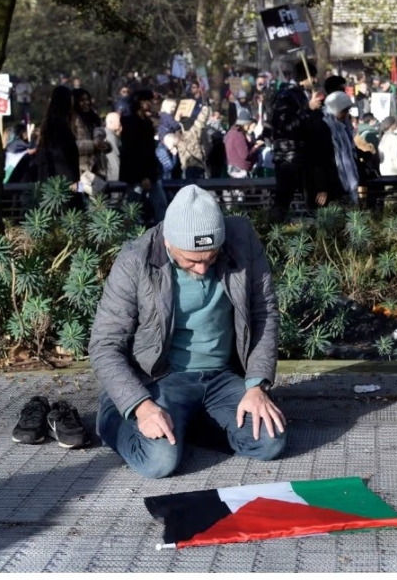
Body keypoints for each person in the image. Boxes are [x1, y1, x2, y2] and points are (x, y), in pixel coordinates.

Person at [89, 185, 286, 479]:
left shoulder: (242, 238)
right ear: (168, 242)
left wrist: (256, 387)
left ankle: (184, 425)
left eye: (211, 257)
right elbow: (104, 345)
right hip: (161, 379)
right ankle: (114, 418)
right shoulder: (135, 261)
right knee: (158, 462)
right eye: (192, 260)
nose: (203, 268)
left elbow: (264, 314)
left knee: (269, 442)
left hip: (222, 378)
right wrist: (140, 406)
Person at [268, 59, 322, 222]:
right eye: (312, 77)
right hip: (289, 158)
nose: (315, 81)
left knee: (313, 202)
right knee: (283, 201)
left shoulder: (300, 95)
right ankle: (271, 234)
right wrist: (307, 109)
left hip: (302, 156)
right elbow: (286, 127)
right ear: (304, 77)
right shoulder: (287, 96)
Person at [305, 90, 359, 207]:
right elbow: (318, 158)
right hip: (328, 187)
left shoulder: (341, 127)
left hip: (341, 185)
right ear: (336, 108)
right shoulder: (320, 125)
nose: (346, 114)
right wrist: (321, 187)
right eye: (344, 110)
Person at [120, 90, 167, 224]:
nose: (152, 103)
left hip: (150, 173)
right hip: (137, 175)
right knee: (132, 208)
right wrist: (142, 176)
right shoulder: (131, 122)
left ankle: (163, 234)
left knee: (160, 204)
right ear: (141, 103)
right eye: (150, 101)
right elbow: (133, 151)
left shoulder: (146, 122)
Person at [33, 85, 79, 184]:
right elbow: (64, 163)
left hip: (50, 187)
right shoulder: (61, 129)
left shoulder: (49, 127)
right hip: (62, 189)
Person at [71, 89, 107, 176]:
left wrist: (104, 144)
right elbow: (71, 146)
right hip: (80, 170)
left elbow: (100, 134)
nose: (86, 103)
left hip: (97, 168)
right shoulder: (71, 120)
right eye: (82, 100)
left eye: (87, 99)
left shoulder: (94, 118)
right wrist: (92, 145)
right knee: (82, 189)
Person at [224, 108, 264, 178]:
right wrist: (256, 146)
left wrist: (252, 143)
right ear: (244, 124)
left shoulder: (231, 132)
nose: (249, 127)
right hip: (240, 170)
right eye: (248, 124)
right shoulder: (239, 135)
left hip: (232, 167)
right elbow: (245, 155)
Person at [104, 111, 122, 182]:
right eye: (119, 121)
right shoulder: (110, 137)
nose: (120, 123)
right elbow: (114, 160)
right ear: (111, 122)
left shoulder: (110, 135)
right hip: (114, 178)